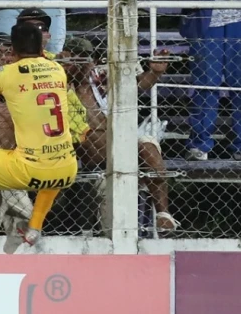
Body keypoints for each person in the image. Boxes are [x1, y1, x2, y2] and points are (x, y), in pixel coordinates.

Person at [0, 22, 78, 253]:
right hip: (67, 171)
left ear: (12, 50)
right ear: (42, 48)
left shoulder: (4, 74)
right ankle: (34, 227)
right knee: (55, 162)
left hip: (28, 169)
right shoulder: (57, 69)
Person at [60, 37, 178, 233]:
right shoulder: (57, 81)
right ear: (66, 58)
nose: (85, 63)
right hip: (89, 161)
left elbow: (138, 84)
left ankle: (163, 215)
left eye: (88, 58)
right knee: (109, 228)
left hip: (120, 149)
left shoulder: (101, 77)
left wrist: (155, 73)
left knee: (147, 144)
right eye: (77, 59)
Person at [161, 0, 241, 161]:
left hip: (239, 18)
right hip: (207, 19)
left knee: (240, 85)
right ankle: (200, 144)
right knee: (207, 83)